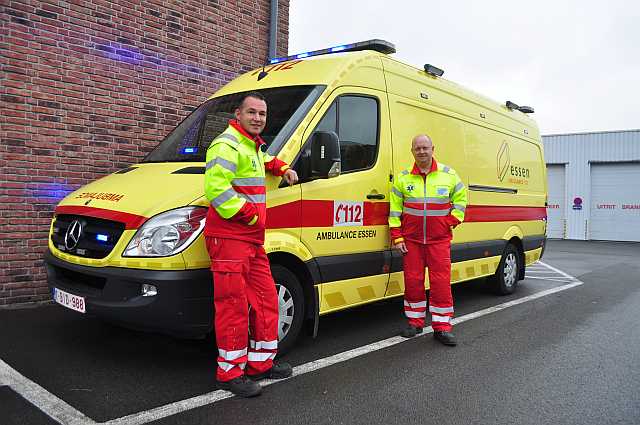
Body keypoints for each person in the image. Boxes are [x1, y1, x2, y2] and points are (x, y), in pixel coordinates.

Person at [204, 92, 298, 397]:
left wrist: (282, 168)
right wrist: (251, 215)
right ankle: (229, 372)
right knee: (232, 307)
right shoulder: (226, 144)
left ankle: (261, 364)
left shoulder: (252, 147)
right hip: (231, 237)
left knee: (266, 299)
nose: (258, 118)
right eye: (252, 113)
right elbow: (216, 191)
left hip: (251, 239)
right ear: (238, 114)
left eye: (262, 114)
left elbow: (266, 161)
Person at [388, 134, 467, 346]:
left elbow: (461, 201)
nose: (421, 151)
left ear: (433, 148)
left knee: (440, 283)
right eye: (417, 148)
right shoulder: (403, 178)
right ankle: (415, 322)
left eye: (425, 147)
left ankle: (442, 328)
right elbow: (394, 211)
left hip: (439, 241)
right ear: (412, 151)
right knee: (413, 282)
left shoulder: (449, 175)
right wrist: (397, 237)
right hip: (411, 242)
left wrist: (450, 222)